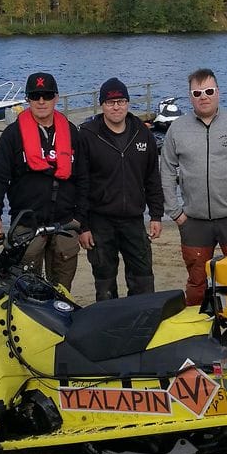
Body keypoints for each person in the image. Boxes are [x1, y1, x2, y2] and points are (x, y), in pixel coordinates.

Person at [160, 68, 227, 306]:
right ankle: (195, 333)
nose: (203, 97)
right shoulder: (177, 129)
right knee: (196, 283)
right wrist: (175, 212)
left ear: (218, 92)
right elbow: (166, 171)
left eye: (209, 91)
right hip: (194, 222)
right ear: (190, 97)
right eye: (197, 93)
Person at [0, 72, 88, 291]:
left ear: (56, 98)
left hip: (66, 225)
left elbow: (84, 178)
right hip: (27, 225)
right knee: (24, 289)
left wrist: (81, 219)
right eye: (35, 96)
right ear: (28, 99)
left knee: (62, 290)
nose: (41, 101)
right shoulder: (12, 135)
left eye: (47, 95)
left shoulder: (72, 133)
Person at [79, 77, 165, 300]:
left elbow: (152, 179)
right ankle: (109, 326)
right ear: (102, 105)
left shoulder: (143, 133)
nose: (116, 107)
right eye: (110, 102)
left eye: (121, 101)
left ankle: (141, 323)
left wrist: (156, 215)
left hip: (134, 219)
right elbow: (80, 184)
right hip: (100, 220)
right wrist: (83, 226)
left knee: (143, 278)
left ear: (127, 103)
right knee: (105, 283)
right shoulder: (88, 135)